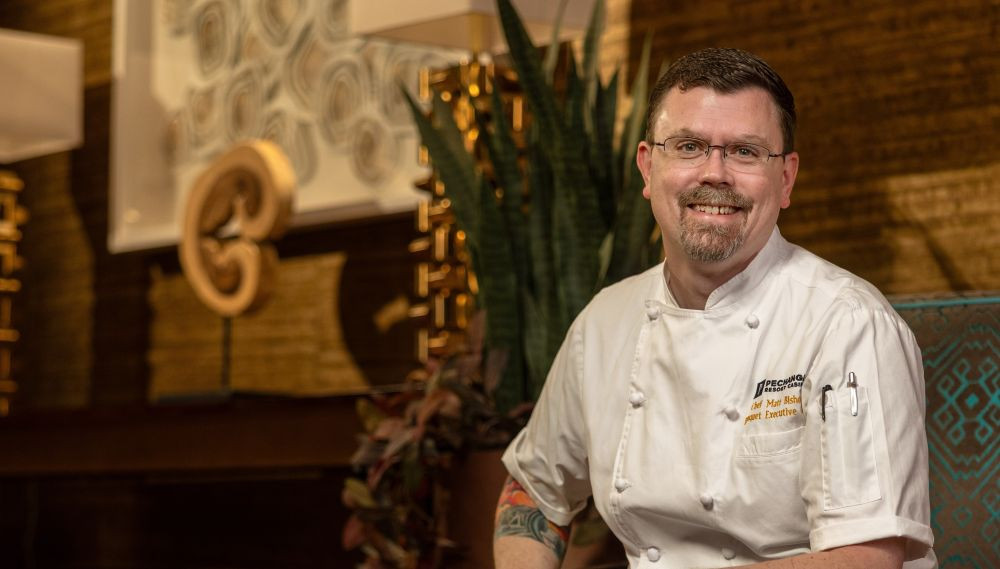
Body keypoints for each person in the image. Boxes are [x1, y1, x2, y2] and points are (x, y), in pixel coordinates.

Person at [493, 48, 935, 569]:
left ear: (786, 179)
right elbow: (532, 490)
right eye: (689, 146)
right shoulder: (603, 323)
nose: (715, 173)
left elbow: (865, 558)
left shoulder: (848, 324)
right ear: (647, 166)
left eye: (745, 152)